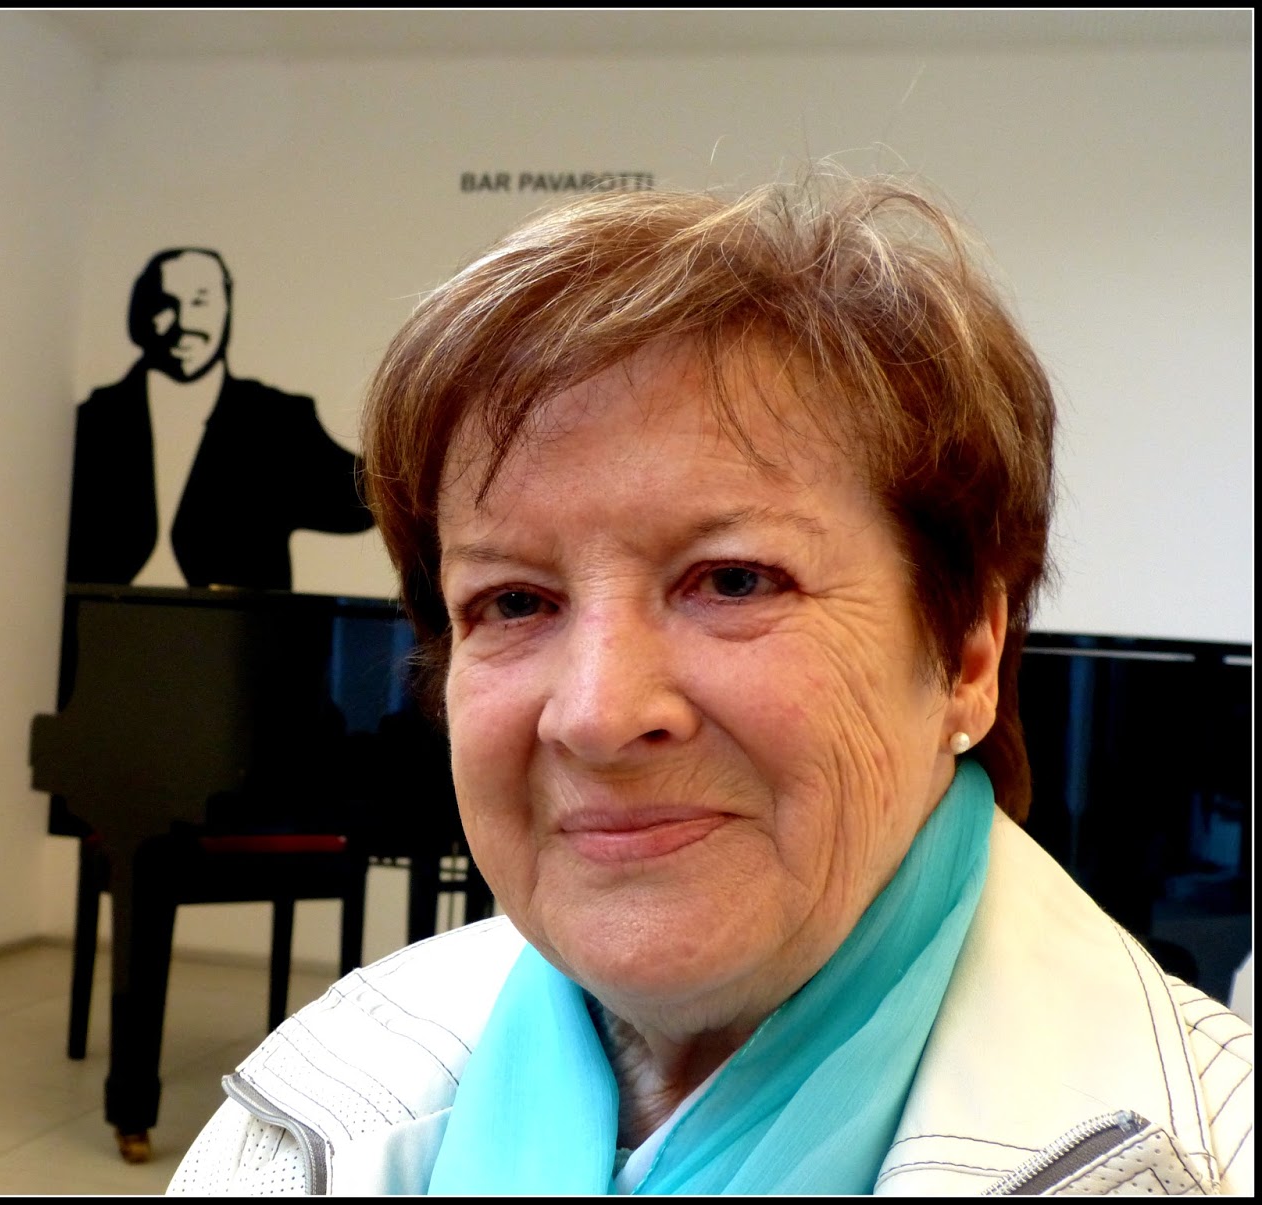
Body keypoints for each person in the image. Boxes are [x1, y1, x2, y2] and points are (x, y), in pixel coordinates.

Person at [166, 176, 1254, 1195]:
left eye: (734, 580)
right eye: (515, 600)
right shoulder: (315, 1095)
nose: (597, 713)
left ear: (967, 652)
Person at [65, 247, 373, 591]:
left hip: (238, 623)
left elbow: (364, 501)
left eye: (200, 302)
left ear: (226, 309)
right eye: (167, 304)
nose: (184, 323)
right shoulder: (92, 420)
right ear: (143, 313)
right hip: (99, 618)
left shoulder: (277, 420)